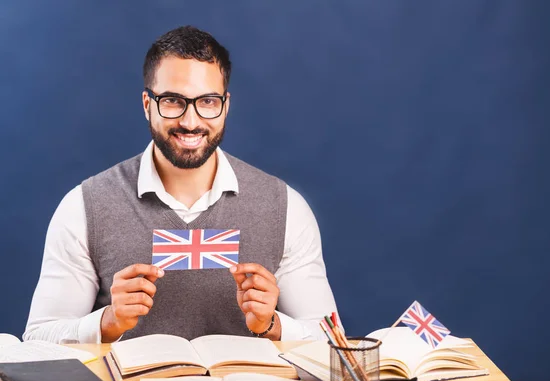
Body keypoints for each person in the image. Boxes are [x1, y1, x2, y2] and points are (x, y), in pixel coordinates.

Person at [23, 25, 340, 344]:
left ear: (225, 106)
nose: (190, 122)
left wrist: (271, 324)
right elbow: (38, 337)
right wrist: (109, 321)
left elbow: (331, 337)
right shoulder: (83, 207)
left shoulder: (285, 207)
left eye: (207, 101)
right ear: (147, 104)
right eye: (173, 101)